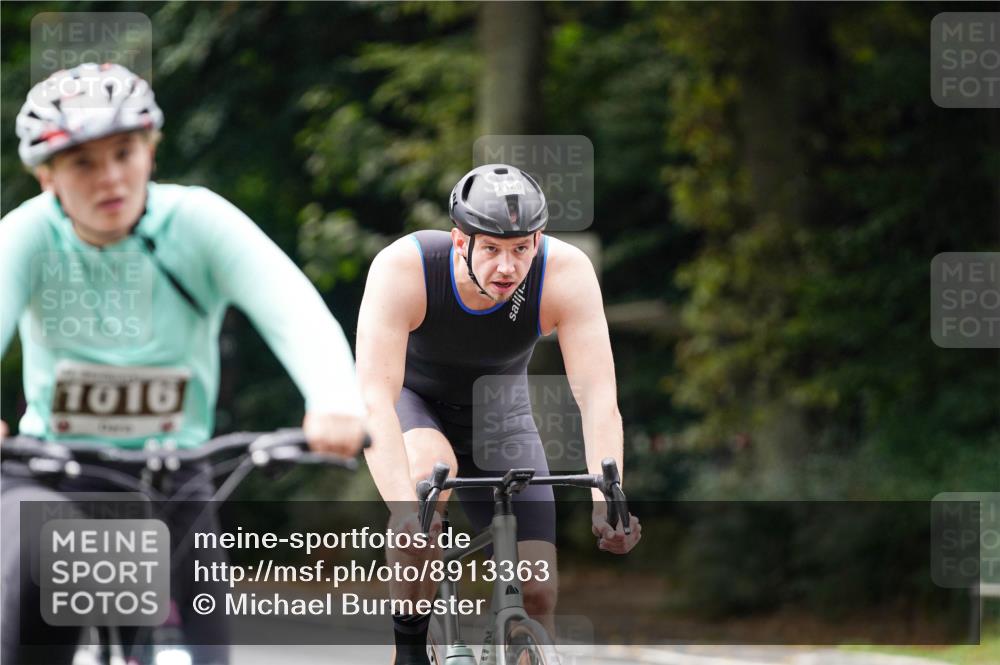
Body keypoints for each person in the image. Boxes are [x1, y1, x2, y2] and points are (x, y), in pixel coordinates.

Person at [0, 63, 367, 664]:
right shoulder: (26, 235)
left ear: (151, 150)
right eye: (82, 163)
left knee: (207, 652)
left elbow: (293, 308)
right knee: (38, 577)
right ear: (47, 177)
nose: (109, 178)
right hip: (51, 472)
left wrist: (333, 399)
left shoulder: (197, 221)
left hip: (174, 476)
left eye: (124, 153)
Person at [357, 163, 641, 664]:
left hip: (500, 417)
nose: (507, 267)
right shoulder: (405, 268)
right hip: (413, 403)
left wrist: (607, 499)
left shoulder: (565, 273)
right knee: (427, 480)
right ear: (460, 241)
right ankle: (409, 650)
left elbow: (597, 395)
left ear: (538, 241)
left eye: (520, 249)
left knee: (537, 592)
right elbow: (375, 397)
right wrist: (403, 510)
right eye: (490, 249)